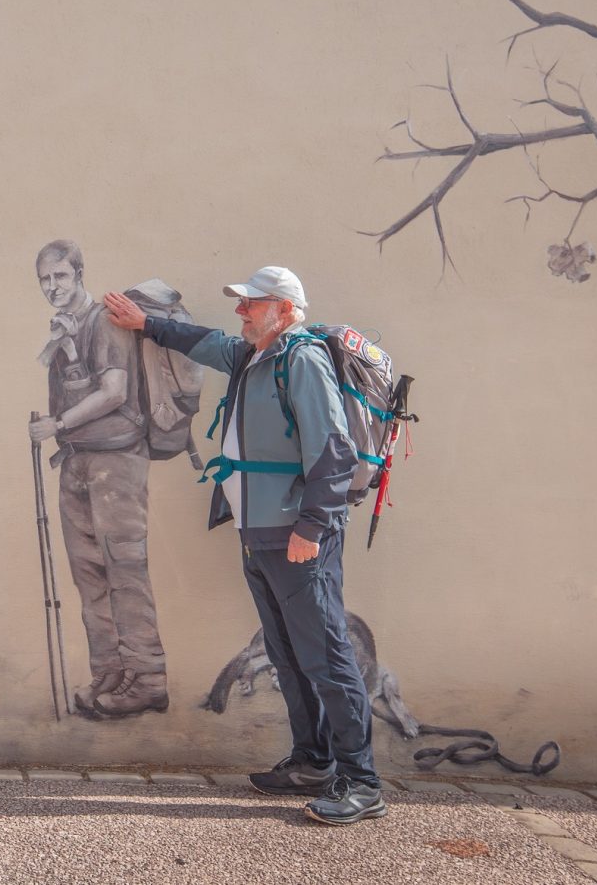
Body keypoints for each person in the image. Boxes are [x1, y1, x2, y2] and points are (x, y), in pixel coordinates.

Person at [104, 266, 386, 826]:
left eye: (250, 303)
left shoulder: (301, 360)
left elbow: (333, 451)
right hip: (258, 533)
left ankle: (362, 782)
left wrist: (312, 528)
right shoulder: (257, 357)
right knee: (286, 654)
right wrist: (147, 324)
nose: (241, 311)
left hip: (299, 536)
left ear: (283, 308)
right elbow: (207, 343)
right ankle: (312, 762)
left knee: (327, 656)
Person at [30, 241, 168, 717]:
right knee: (88, 574)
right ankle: (110, 673)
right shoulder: (63, 330)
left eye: (60, 277)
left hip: (117, 462)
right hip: (78, 462)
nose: (52, 287)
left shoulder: (104, 321)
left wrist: (59, 425)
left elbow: (115, 391)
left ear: (79, 274)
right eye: (45, 279)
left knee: (124, 569)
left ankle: (147, 677)